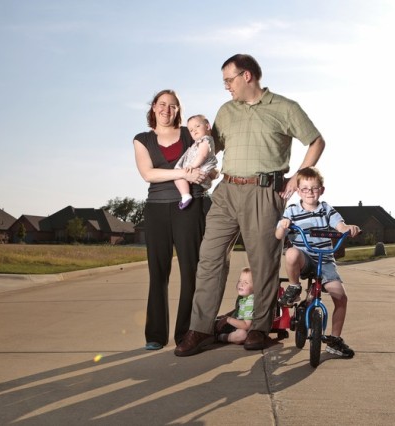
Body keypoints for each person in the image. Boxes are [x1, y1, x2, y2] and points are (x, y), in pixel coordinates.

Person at [175, 53, 326, 357]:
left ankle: (259, 327)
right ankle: (201, 328)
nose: (226, 87)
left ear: (247, 76)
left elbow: (316, 141)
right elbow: (211, 147)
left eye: (228, 80)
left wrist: (297, 175)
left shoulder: (285, 108)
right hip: (227, 190)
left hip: (263, 191)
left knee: (263, 261)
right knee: (210, 256)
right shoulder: (226, 111)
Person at [133, 89, 208, 351]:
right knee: (158, 271)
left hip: (191, 206)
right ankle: (155, 334)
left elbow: (208, 160)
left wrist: (203, 175)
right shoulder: (142, 139)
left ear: (179, 110)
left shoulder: (191, 134)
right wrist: (183, 174)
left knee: (191, 270)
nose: (167, 109)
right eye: (162, 104)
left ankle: (186, 333)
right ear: (153, 107)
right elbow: (148, 174)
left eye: (173, 106)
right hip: (156, 208)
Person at [275, 167, 360, 358]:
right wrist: (283, 225)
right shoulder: (292, 210)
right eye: (304, 188)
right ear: (297, 191)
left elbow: (340, 225)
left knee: (340, 297)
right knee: (291, 253)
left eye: (314, 188)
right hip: (305, 257)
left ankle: (335, 340)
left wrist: (348, 228)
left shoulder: (326, 210)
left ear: (321, 190)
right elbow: (278, 234)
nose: (309, 192)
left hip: (325, 259)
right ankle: (295, 286)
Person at [173, 114, 219, 209]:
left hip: (200, 172)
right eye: (191, 130)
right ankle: (185, 195)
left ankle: (185, 195)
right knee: (178, 176)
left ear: (207, 126)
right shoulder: (198, 143)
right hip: (197, 173)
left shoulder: (205, 140)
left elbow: (202, 155)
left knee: (178, 176)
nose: (194, 130)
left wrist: (192, 166)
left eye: (197, 126)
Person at [214, 267, 254, 344]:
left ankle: (221, 337)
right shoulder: (243, 297)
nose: (241, 284)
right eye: (240, 281)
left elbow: (246, 325)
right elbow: (237, 312)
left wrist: (227, 319)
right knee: (216, 322)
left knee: (242, 335)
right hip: (236, 325)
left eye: (246, 282)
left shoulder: (250, 302)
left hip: (243, 328)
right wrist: (225, 316)